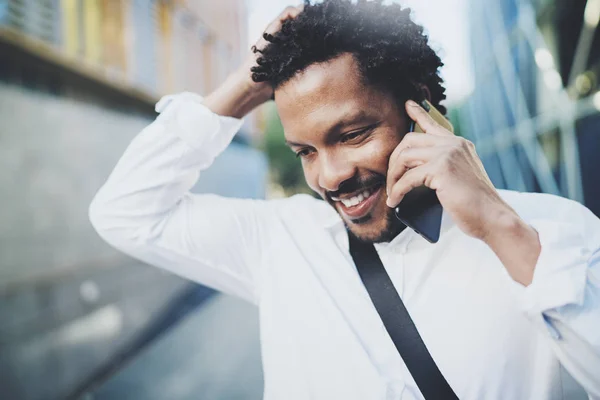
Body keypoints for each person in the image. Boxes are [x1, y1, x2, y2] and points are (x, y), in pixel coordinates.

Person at [89, 1, 600, 399]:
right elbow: (124, 211)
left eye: (353, 134)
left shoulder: (549, 232)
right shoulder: (281, 242)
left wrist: (500, 228)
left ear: (420, 104)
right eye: (305, 151)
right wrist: (243, 88)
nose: (330, 176)